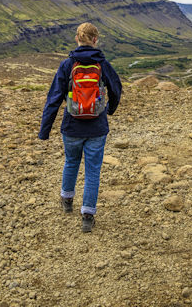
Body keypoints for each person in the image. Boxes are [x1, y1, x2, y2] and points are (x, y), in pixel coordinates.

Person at [38, 22, 122, 232]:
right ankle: (87, 215)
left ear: (77, 38)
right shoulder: (102, 64)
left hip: (72, 126)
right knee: (93, 171)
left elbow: (54, 99)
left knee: (71, 162)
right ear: (95, 40)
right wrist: (108, 110)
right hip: (97, 127)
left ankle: (67, 200)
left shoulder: (67, 65)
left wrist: (44, 131)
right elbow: (116, 89)